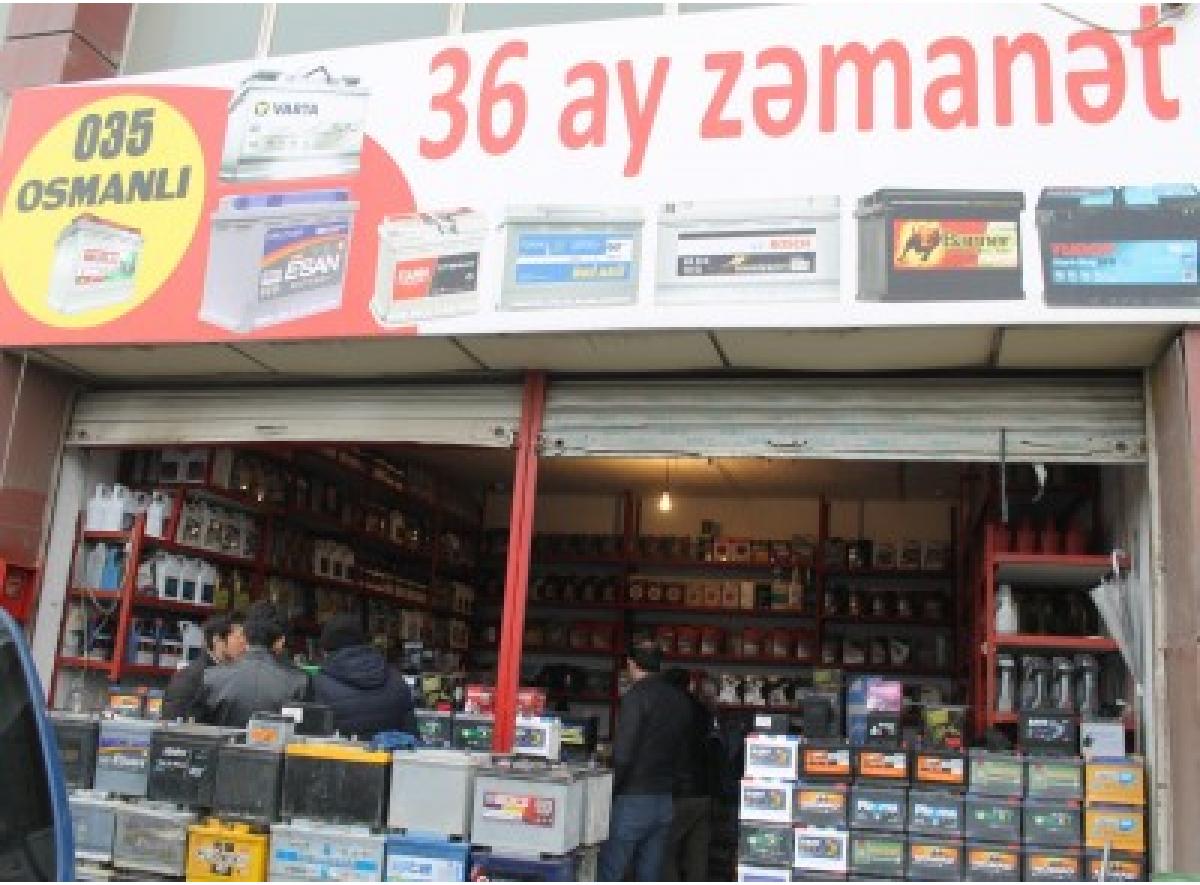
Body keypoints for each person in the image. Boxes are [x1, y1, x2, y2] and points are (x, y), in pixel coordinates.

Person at [598, 640, 694, 882]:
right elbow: (684, 753)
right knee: (650, 874)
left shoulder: (636, 697)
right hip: (664, 801)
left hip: (633, 800)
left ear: (631, 663)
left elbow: (623, 753)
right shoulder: (679, 699)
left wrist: (609, 791)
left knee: (611, 871)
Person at [196, 600, 309, 728]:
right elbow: (299, 731)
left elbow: (197, 728)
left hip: (224, 741)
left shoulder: (211, 677)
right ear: (281, 641)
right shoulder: (298, 682)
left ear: (245, 636)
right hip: (275, 741)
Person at [311, 613, 417, 739]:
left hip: (341, 751)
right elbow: (412, 734)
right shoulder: (396, 677)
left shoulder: (319, 683)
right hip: (387, 751)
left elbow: (313, 736)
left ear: (326, 649)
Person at [660, 668, 717, 881]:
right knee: (697, 854)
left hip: (680, 793)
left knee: (664, 850)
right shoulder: (704, 710)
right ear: (689, 685)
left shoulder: (668, 712)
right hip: (705, 791)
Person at [161, 612, 246, 723]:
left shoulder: (235, 675)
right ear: (217, 639)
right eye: (238, 637)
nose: (244, 644)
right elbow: (173, 722)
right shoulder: (191, 677)